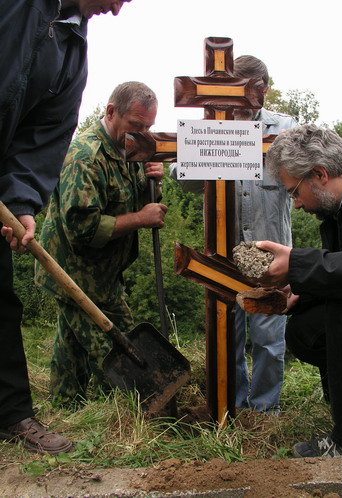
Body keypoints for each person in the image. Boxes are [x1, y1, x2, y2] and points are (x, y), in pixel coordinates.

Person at [0, 0, 133, 454]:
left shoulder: (72, 47)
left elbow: (43, 135)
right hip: (79, 258)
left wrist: (20, 201)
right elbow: (81, 224)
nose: (116, 10)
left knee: (1, 301)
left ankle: (12, 416)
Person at [170, 55, 298, 412]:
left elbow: (306, 174)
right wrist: (212, 151)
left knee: (269, 339)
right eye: (231, 99)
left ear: (263, 91)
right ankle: (235, 407)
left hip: (270, 256)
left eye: (244, 98)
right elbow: (186, 178)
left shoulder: (285, 130)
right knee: (229, 335)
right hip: (223, 256)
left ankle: (264, 411)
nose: (236, 107)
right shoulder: (212, 127)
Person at [35, 81, 167, 407]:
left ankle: (65, 406)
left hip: (105, 274)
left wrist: (154, 183)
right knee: (113, 346)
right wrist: (142, 218)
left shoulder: (130, 151)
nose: (142, 133)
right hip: (73, 273)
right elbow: (83, 227)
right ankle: (122, 411)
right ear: (111, 112)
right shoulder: (85, 157)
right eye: (136, 125)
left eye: (148, 127)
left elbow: (139, 201)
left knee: (72, 340)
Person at [253, 124, 342, 457]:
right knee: (307, 327)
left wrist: (296, 263)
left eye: (294, 192)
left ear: (319, 174)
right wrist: (301, 291)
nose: (295, 204)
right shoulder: (337, 206)